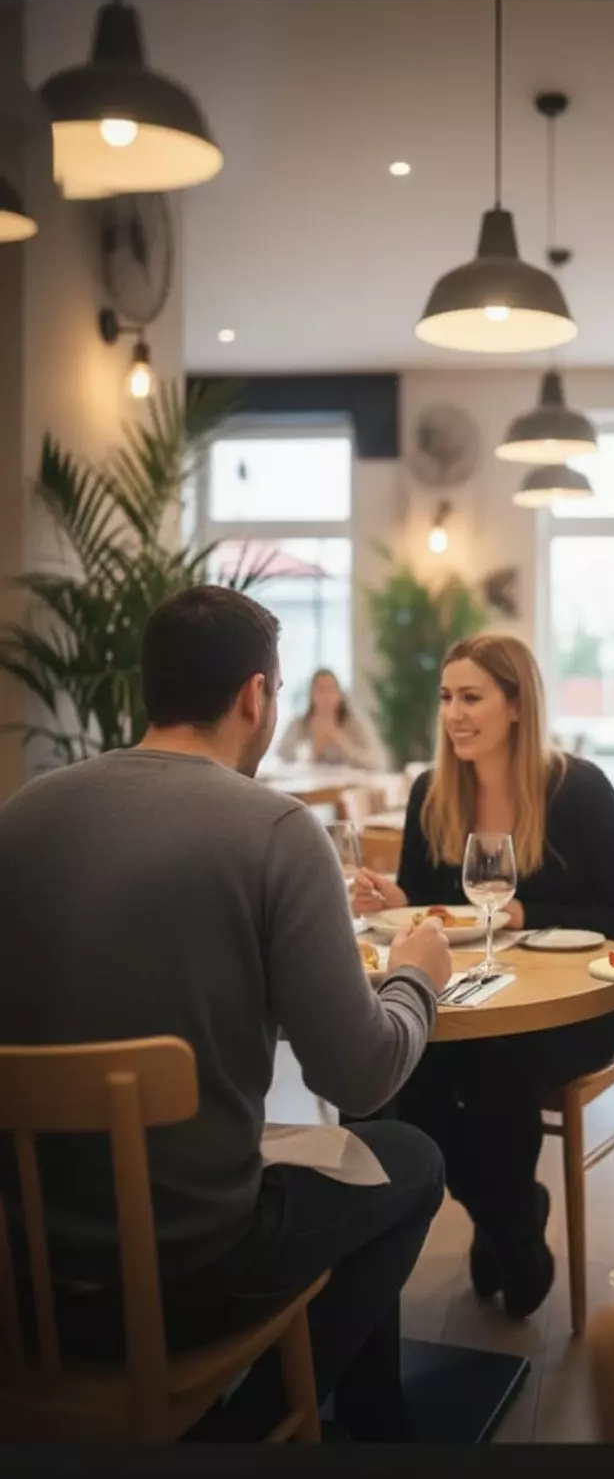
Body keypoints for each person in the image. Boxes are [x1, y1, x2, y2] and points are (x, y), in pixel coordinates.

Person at [0, 585, 452, 1443]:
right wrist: (415, 977)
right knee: (411, 1158)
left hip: (24, 1282)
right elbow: (359, 1072)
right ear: (256, 696)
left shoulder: (20, 817)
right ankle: (255, 1427)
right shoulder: (278, 831)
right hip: (188, 1279)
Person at [352, 632, 614, 1319]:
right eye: (447, 698)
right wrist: (396, 904)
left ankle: (503, 1224)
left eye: (472, 697)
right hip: (471, 993)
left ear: (517, 705)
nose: (454, 713)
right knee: (404, 1073)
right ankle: (511, 1223)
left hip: (573, 1007)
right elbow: (431, 904)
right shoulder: (434, 790)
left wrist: (522, 909)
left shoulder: (578, 790)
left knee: (487, 1071)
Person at [277, 667, 386, 771]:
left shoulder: (353, 723)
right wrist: (314, 749)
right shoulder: (299, 724)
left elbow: (375, 762)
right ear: (311, 695)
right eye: (320, 690)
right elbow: (282, 757)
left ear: (340, 694)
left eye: (331, 689)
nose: (326, 696)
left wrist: (339, 739)